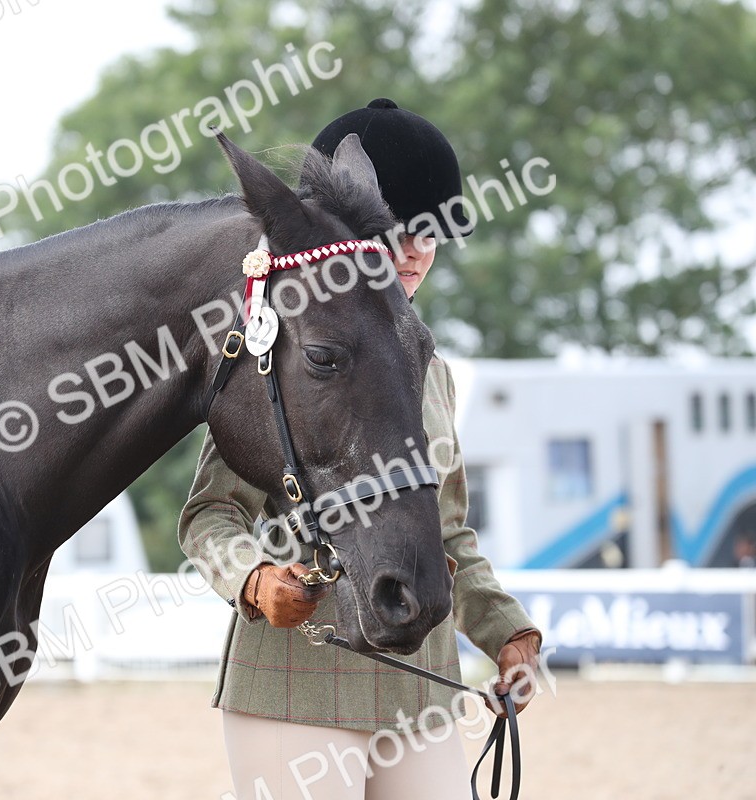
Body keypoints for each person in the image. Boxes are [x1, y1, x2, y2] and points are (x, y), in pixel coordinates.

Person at [178, 99, 543, 800]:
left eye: (431, 237)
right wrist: (253, 579)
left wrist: (505, 629)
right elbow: (208, 516)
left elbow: (448, 532)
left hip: (421, 685)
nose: (415, 252)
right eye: (401, 231)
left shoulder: (429, 370)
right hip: (297, 681)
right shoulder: (286, 355)